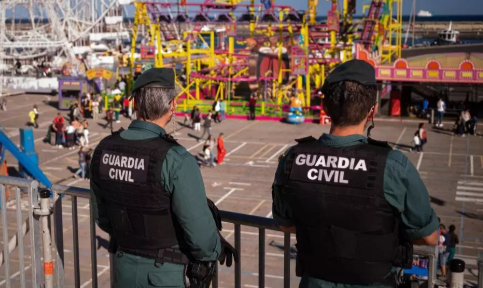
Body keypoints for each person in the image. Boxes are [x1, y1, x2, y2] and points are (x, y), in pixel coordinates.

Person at [272, 59, 438, 287]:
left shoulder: (293, 158)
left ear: (325, 108)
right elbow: (429, 237)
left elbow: (285, 224)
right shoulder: (393, 165)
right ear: (372, 110)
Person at [90, 68, 237, 288]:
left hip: (123, 269)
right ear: (172, 106)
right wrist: (214, 247)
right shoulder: (176, 159)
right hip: (164, 273)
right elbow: (200, 236)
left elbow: (102, 217)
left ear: (136, 104)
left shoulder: (104, 149)